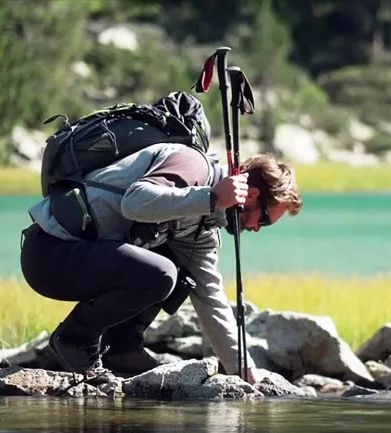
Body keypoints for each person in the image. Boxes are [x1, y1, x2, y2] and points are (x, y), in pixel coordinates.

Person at [19, 142, 303, 384]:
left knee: (180, 273)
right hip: (50, 255)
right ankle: (74, 340)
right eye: (263, 220)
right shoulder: (191, 164)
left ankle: (121, 349)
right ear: (251, 195)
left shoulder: (202, 230)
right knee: (162, 273)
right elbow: (134, 203)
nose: (256, 229)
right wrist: (212, 197)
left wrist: (245, 372)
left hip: (84, 260)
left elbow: (211, 299)